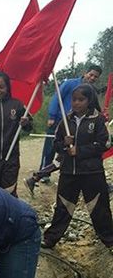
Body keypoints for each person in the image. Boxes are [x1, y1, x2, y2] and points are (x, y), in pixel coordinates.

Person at [42, 84, 113, 250]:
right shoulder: (66, 120)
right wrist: (64, 144)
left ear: (89, 101)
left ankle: (109, 241)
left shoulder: (98, 119)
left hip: (92, 172)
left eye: (81, 100)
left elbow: (104, 144)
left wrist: (79, 150)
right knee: (63, 207)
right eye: (74, 99)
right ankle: (50, 239)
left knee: (99, 208)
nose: (76, 103)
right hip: (69, 172)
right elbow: (56, 144)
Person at [37, 65, 102, 183]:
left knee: (69, 149)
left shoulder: (91, 91)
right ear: (85, 73)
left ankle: (66, 172)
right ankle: (43, 172)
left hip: (75, 124)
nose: (92, 78)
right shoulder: (70, 83)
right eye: (91, 74)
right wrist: (52, 116)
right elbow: (57, 97)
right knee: (50, 147)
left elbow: (94, 106)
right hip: (59, 120)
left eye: (95, 77)